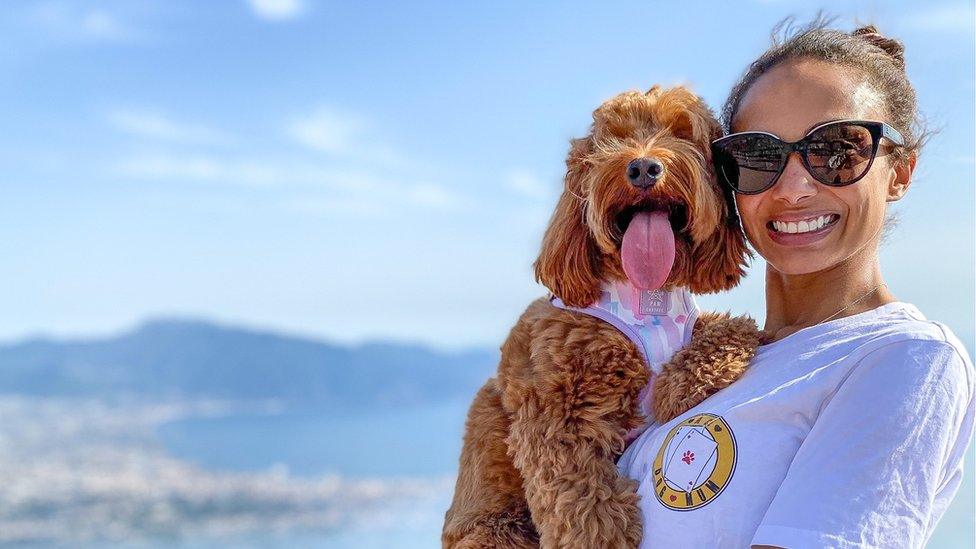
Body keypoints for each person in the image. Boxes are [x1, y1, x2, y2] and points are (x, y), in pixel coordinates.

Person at [616, 20, 975, 548]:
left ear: (899, 173)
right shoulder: (701, 363)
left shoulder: (905, 359)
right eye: (758, 156)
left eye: (837, 151)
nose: (794, 188)